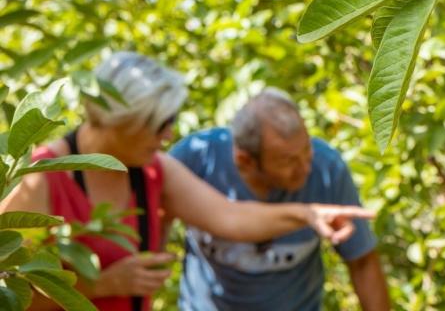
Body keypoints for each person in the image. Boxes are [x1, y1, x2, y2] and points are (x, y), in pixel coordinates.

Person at [0, 52, 375, 311]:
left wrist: (307, 214)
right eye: (161, 124)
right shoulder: (40, 179)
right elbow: (8, 295)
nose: (169, 135)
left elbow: (231, 217)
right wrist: (100, 284)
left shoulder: (153, 170)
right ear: (124, 122)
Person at [170, 87, 391, 311]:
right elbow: (154, 220)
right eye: (288, 161)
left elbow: (362, 263)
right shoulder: (198, 158)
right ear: (245, 160)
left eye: (307, 149)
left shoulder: (327, 169)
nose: (305, 167)